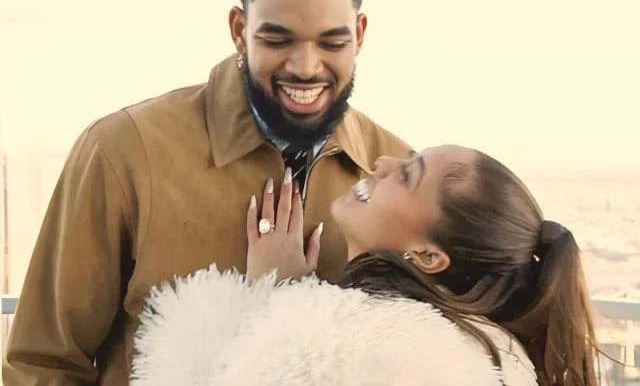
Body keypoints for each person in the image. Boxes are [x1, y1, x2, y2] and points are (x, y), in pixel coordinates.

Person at [2, 0, 413, 385]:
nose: (305, 66)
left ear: (359, 34)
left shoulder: (401, 179)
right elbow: (43, 366)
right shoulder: (123, 152)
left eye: (332, 42)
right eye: (277, 40)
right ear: (239, 30)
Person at [130, 145, 600, 386]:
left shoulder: (351, 353)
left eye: (408, 175)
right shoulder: (488, 350)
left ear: (429, 257)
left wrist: (265, 300)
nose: (382, 161)